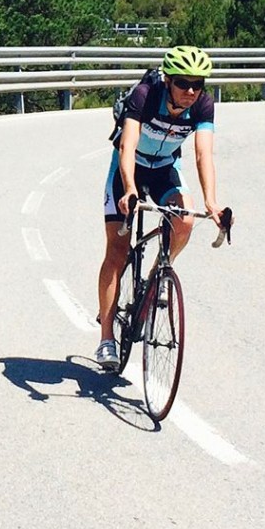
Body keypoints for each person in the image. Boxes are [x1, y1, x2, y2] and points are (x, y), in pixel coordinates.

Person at [96, 45, 225, 369]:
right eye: (183, 83)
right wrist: (128, 189)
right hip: (129, 169)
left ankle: (157, 276)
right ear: (168, 80)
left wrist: (211, 203)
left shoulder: (203, 105)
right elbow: (127, 145)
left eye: (199, 83)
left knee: (185, 220)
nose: (191, 91)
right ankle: (107, 338)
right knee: (118, 250)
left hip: (165, 168)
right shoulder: (145, 95)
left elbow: (202, 155)